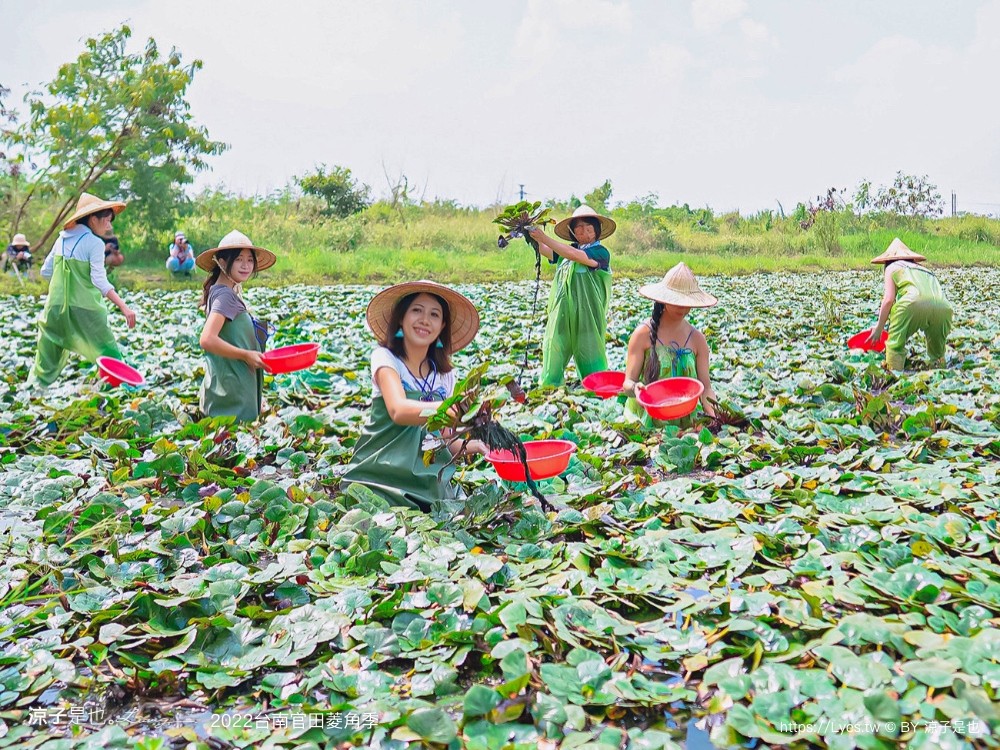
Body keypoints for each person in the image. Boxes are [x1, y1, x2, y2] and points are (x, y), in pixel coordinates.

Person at [343, 280, 488, 510]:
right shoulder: (386, 358)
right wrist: (444, 409)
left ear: (442, 326)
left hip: (427, 484)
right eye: (417, 310)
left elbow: (445, 441)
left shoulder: (445, 376)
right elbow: (398, 410)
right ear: (401, 318)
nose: (425, 320)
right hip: (381, 477)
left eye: (434, 314)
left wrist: (478, 445)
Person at [31, 193, 136, 386]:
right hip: (85, 309)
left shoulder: (61, 240)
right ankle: (120, 389)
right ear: (93, 218)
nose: (109, 226)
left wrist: (65, 283)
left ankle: (33, 392)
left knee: (45, 363)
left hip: (54, 307)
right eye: (106, 220)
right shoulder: (95, 243)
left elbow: (46, 272)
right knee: (108, 353)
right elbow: (99, 281)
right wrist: (124, 307)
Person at [622, 263, 718, 428]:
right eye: (676, 301)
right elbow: (627, 383)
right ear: (663, 300)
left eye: (686, 302)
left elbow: (706, 388)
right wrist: (635, 388)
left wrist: (714, 417)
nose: (682, 307)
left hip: (686, 421)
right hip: (646, 421)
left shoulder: (697, 340)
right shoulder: (642, 335)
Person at [527, 205, 614, 387]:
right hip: (563, 308)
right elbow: (546, 250)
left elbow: (575, 255)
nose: (584, 232)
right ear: (573, 232)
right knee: (554, 342)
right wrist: (529, 234)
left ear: (597, 230)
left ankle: (595, 385)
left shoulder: (600, 252)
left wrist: (545, 237)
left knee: (589, 347)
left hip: (588, 311)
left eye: (589, 228)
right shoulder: (566, 251)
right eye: (579, 228)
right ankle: (550, 384)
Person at [197, 230, 276, 422]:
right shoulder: (224, 296)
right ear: (222, 263)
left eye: (249, 260)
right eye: (239, 259)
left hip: (229, 387)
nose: (246, 266)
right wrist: (246, 355)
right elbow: (207, 339)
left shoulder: (220, 291)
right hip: (233, 396)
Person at [868, 238, 953, 370]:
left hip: (912, 303)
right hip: (944, 308)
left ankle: (894, 375)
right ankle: (940, 373)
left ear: (887, 260)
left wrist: (879, 328)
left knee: (894, 346)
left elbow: (889, 299)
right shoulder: (925, 270)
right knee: (937, 354)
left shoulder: (891, 267)